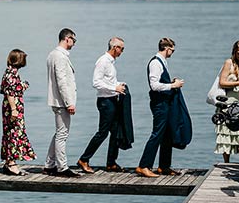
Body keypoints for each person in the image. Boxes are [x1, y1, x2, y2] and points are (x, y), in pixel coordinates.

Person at [77, 37, 126, 174]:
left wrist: (119, 85)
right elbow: (96, 82)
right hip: (105, 102)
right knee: (102, 133)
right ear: (115, 47)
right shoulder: (103, 61)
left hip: (112, 100)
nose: (122, 51)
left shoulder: (111, 63)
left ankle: (111, 163)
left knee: (116, 131)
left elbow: (109, 81)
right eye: (122, 48)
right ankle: (84, 159)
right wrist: (114, 88)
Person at [136, 38, 184, 178]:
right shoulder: (155, 63)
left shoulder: (163, 62)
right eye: (172, 50)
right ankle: (144, 165)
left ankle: (164, 166)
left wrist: (170, 82)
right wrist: (172, 86)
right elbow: (154, 85)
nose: (172, 53)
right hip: (159, 104)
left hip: (165, 103)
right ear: (167, 48)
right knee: (157, 133)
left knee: (167, 134)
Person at [44, 28, 79, 178]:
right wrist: (69, 102)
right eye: (74, 40)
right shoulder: (60, 56)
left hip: (56, 100)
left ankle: (49, 164)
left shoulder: (52, 54)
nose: (74, 43)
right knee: (62, 135)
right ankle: (62, 167)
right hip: (61, 101)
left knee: (59, 133)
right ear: (67, 39)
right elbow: (61, 82)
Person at [0, 49, 35, 176]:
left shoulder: (10, 72)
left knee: (11, 132)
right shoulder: (11, 74)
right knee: (14, 132)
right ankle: (11, 164)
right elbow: (9, 93)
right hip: (12, 108)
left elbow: (13, 90)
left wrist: (22, 86)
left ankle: (9, 162)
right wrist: (14, 110)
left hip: (11, 107)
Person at [214, 41, 239, 163]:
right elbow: (222, 82)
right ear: (234, 52)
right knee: (226, 136)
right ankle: (226, 162)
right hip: (227, 105)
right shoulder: (229, 63)